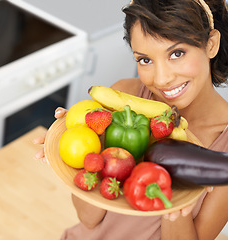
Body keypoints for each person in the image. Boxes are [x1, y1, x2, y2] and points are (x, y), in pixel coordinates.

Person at [34, 0, 228, 239]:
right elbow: (88, 218)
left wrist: (178, 203)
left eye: (177, 53)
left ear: (211, 44)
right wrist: (81, 145)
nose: (162, 78)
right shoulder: (124, 96)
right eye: (145, 60)